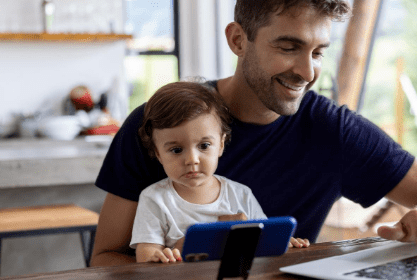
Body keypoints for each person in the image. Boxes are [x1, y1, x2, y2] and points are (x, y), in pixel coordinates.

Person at [91, 0, 417, 266]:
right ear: (237, 40)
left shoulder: (334, 131)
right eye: (288, 47)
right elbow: (105, 260)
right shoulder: (162, 124)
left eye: (318, 52)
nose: (308, 72)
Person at [131, 81, 309, 263]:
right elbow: (145, 258)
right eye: (176, 150)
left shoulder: (240, 194)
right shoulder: (155, 199)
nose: (192, 159)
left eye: (204, 146)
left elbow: (262, 241)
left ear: (221, 145)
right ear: (158, 154)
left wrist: (285, 243)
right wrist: (167, 253)